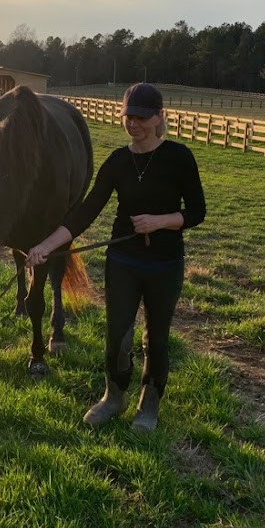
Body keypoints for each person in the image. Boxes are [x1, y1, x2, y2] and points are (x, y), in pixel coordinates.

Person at [26, 83, 206, 431]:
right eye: (128, 116)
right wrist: (48, 245)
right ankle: (114, 397)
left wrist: (161, 221)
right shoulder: (118, 161)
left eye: (141, 117)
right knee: (118, 335)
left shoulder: (179, 157)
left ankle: (149, 405)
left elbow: (197, 212)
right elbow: (87, 210)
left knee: (156, 338)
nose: (133, 124)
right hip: (123, 260)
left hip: (165, 264)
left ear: (159, 117)